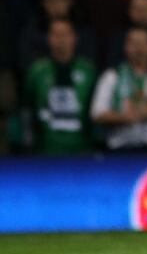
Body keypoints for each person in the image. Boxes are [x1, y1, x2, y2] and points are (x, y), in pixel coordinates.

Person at [90, 28, 147, 151]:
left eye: (144, 43)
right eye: (134, 43)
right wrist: (126, 117)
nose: (139, 48)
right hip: (123, 150)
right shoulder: (112, 76)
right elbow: (97, 114)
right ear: (125, 47)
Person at [25, 19, 96, 155]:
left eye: (65, 34)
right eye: (56, 35)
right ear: (49, 39)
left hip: (82, 148)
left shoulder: (88, 70)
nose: (61, 40)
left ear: (74, 38)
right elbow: (28, 108)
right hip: (46, 148)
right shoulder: (37, 71)